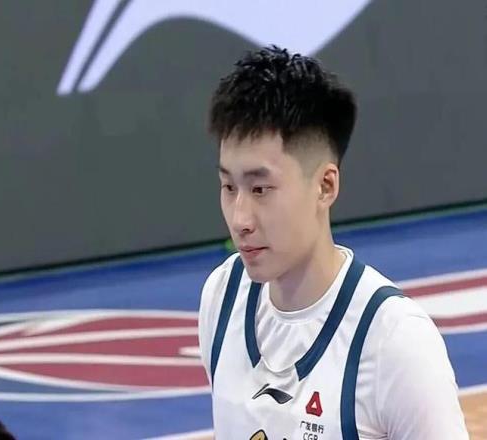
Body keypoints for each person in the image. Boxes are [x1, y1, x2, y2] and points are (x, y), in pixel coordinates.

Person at [198, 46, 468, 440]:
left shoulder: (393, 341)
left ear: (325, 186)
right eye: (228, 187)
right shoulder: (222, 297)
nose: (240, 220)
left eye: (260, 189)